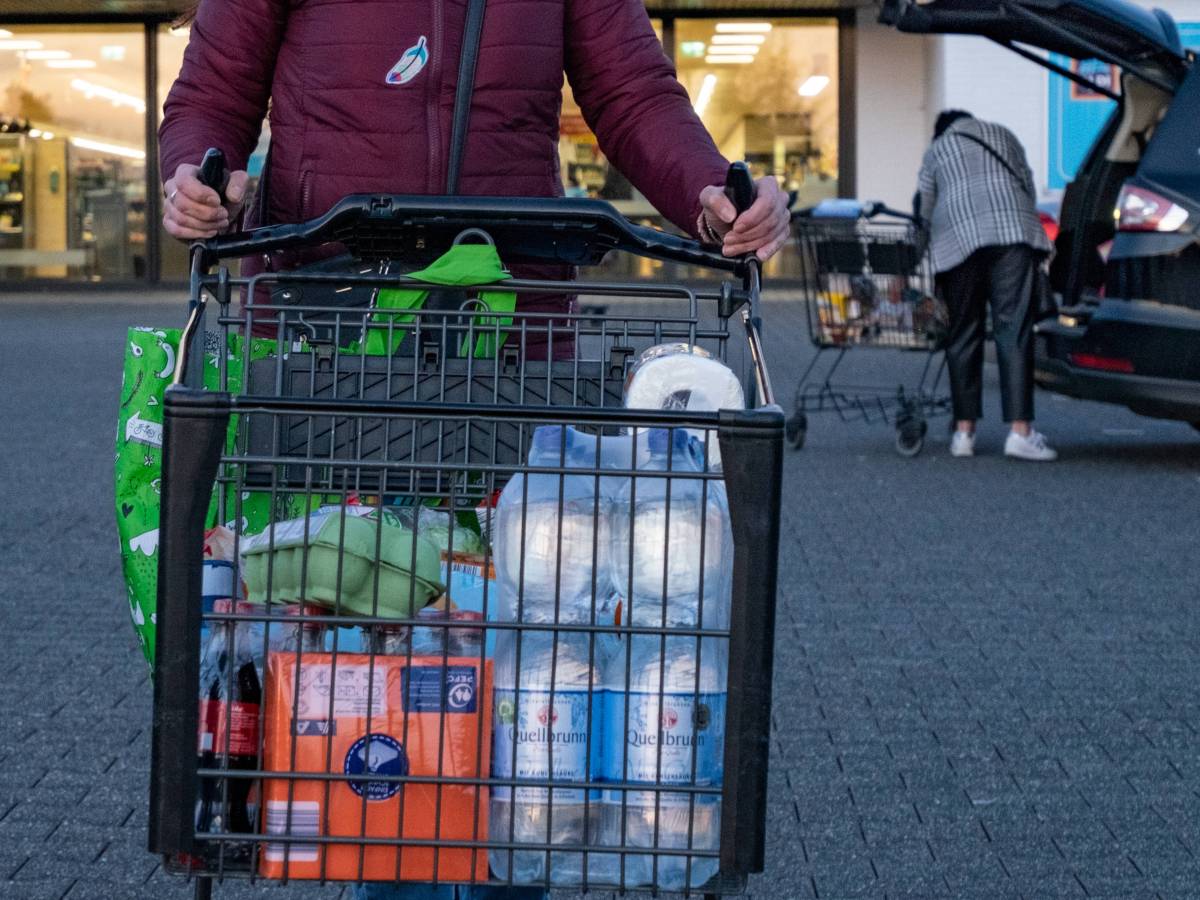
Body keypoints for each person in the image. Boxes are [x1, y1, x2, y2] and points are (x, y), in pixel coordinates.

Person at [159, 3, 788, 898]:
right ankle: (400, 855)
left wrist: (712, 196)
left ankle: (515, 849)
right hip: (340, 331)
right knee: (378, 638)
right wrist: (198, 179)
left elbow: (631, 89)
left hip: (512, 328)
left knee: (520, 628)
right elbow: (213, 92)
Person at [916, 110, 1057, 461]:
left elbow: (925, 206)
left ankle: (964, 434)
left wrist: (918, 258)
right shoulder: (1002, 133)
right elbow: (1025, 183)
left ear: (940, 131)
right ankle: (1020, 433)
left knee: (963, 332)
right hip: (1012, 234)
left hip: (957, 240)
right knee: (1014, 330)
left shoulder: (937, 150)